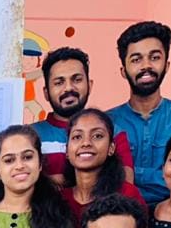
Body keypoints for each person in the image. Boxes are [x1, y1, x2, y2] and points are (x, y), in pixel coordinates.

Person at [107, 22, 171, 205]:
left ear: (166, 65)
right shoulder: (108, 122)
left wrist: (131, 173)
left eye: (155, 57)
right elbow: (104, 180)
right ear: (123, 71)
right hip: (120, 213)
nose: (146, 66)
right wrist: (165, 175)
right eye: (136, 59)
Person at [61, 108, 147, 228]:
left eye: (97, 136)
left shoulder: (128, 196)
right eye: (77, 137)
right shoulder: (57, 200)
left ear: (111, 148)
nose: (86, 143)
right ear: (67, 150)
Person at [32, 47, 135, 186]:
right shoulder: (30, 136)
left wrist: (53, 181)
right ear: (46, 93)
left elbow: (124, 184)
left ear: (89, 85)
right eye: (59, 82)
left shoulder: (113, 132)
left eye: (77, 79)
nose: (68, 88)